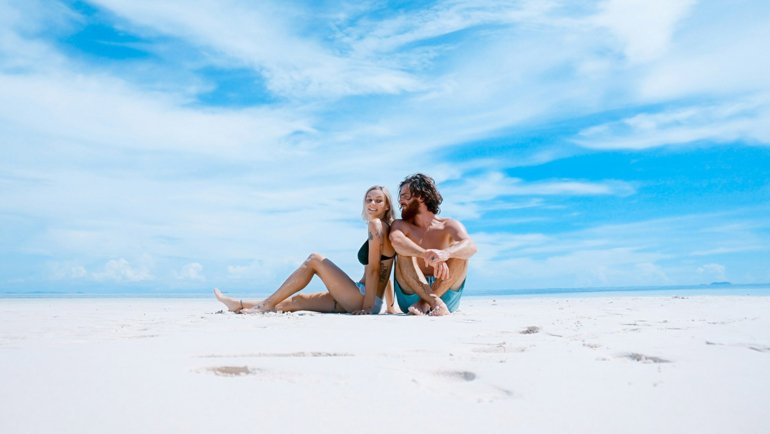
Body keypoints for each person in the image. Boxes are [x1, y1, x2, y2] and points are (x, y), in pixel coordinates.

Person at [214, 186, 399, 314]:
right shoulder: (387, 228)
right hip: (365, 296)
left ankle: (266, 304)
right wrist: (388, 305)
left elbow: (375, 270)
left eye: (378, 200)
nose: (372, 204)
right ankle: (237, 304)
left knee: (315, 259)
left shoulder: (376, 226)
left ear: (387, 205)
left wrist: (368, 308)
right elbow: (386, 270)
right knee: (297, 301)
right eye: (369, 200)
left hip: (362, 298)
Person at [389, 173, 477, 316]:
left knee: (461, 253)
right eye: (401, 196)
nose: (400, 201)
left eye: (405, 196)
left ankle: (426, 302)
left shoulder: (448, 225)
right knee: (404, 253)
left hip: (445, 293)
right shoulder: (400, 225)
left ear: (422, 197)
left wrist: (446, 253)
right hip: (411, 294)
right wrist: (425, 253)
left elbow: (471, 246)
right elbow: (396, 241)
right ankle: (433, 302)